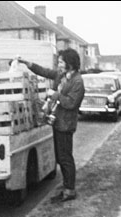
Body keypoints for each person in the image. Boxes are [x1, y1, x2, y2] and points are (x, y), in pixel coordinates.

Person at [18, 48, 85, 203]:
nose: (59, 64)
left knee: (65, 157)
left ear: (70, 63)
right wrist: (29, 64)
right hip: (57, 122)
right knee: (60, 157)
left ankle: (70, 190)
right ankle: (67, 188)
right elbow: (45, 72)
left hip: (66, 125)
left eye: (61, 62)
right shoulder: (62, 76)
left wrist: (55, 95)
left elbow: (71, 103)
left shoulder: (77, 81)